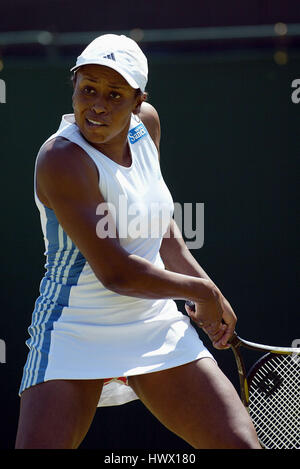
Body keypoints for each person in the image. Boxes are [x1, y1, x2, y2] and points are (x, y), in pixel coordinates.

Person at [15, 34, 261, 449]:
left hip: (154, 325)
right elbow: (117, 272)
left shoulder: (147, 126)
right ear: (73, 84)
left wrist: (207, 289)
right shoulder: (61, 159)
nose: (97, 105)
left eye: (115, 95)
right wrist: (202, 291)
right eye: (88, 89)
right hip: (75, 329)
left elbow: (160, 230)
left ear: (137, 101)